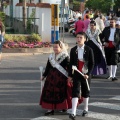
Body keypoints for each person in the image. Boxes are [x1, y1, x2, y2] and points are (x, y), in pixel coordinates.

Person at [39, 41, 83, 115]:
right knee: (50, 93)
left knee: (62, 93)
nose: (55, 48)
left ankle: (63, 107)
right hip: (51, 78)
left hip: (61, 78)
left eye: (56, 47)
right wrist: (44, 75)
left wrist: (70, 76)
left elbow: (69, 68)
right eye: (54, 47)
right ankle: (50, 109)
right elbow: (48, 67)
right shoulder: (51, 56)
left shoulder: (65, 56)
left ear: (61, 47)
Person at [68, 32, 94, 120]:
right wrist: (70, 75)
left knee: (85, 91)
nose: (79, 39)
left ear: (85, 39)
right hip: (76, 73)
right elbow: (71, 63)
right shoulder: (73, 50)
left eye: (81, 38)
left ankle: (85, 109)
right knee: (75, 91)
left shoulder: (89, 49)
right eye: (77, 37)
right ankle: (73, 112)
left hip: (85, 74)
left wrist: (88, 73)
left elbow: (92, 63)